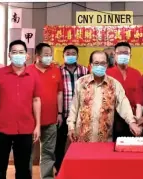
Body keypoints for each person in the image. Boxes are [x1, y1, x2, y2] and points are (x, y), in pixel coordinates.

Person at [0, 40, 41, 179]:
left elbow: (36, 100)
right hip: (1, 128)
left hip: (25, 128)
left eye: (21, 52)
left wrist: (38, 126)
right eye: (14, 52)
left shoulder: (34, 75)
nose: (18, 55)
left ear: (27, 55)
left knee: (23, 169)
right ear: (9, 55)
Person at [67, 50, 141, 142]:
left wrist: (132, 122)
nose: (99, 66)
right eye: (96, 63)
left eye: (102, 63)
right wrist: (71, 127)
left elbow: (123, 104)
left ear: (106, 65)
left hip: (104, 139)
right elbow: (74, 107)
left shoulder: (114, 84)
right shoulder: (81, 83)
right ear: (91, 65)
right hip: (81, 138)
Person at [29, 43, 63, 179]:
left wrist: (59, 113)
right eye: (46, 55)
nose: (49, 58)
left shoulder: (56, 70)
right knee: (27, 153)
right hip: (30, 121)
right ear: (37, 56)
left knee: (48, 153)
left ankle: (47, 177)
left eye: (51, 55)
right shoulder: (28, 70)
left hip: (51, 119)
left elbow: (59, 92)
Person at [54, 44, 88, 174]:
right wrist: (59, 113)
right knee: (60, 144)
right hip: (62, 114)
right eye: (68, 53)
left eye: (73, 53)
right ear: (63, 55)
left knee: (78, 143)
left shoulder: (84, 71)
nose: (70, 55)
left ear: (77, 56)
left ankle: (78, 170)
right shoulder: (58, 71)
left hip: (80, 114)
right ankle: (60, 170)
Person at [106, 42, 142, 139]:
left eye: (126, 53)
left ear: (130, 55)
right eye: (120, 53)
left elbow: (139, 99)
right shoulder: (107, 73)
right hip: (112, 119)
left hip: (132, 118)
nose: (123, 55)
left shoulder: (137, 74)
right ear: (115, 55)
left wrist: (138, 118)